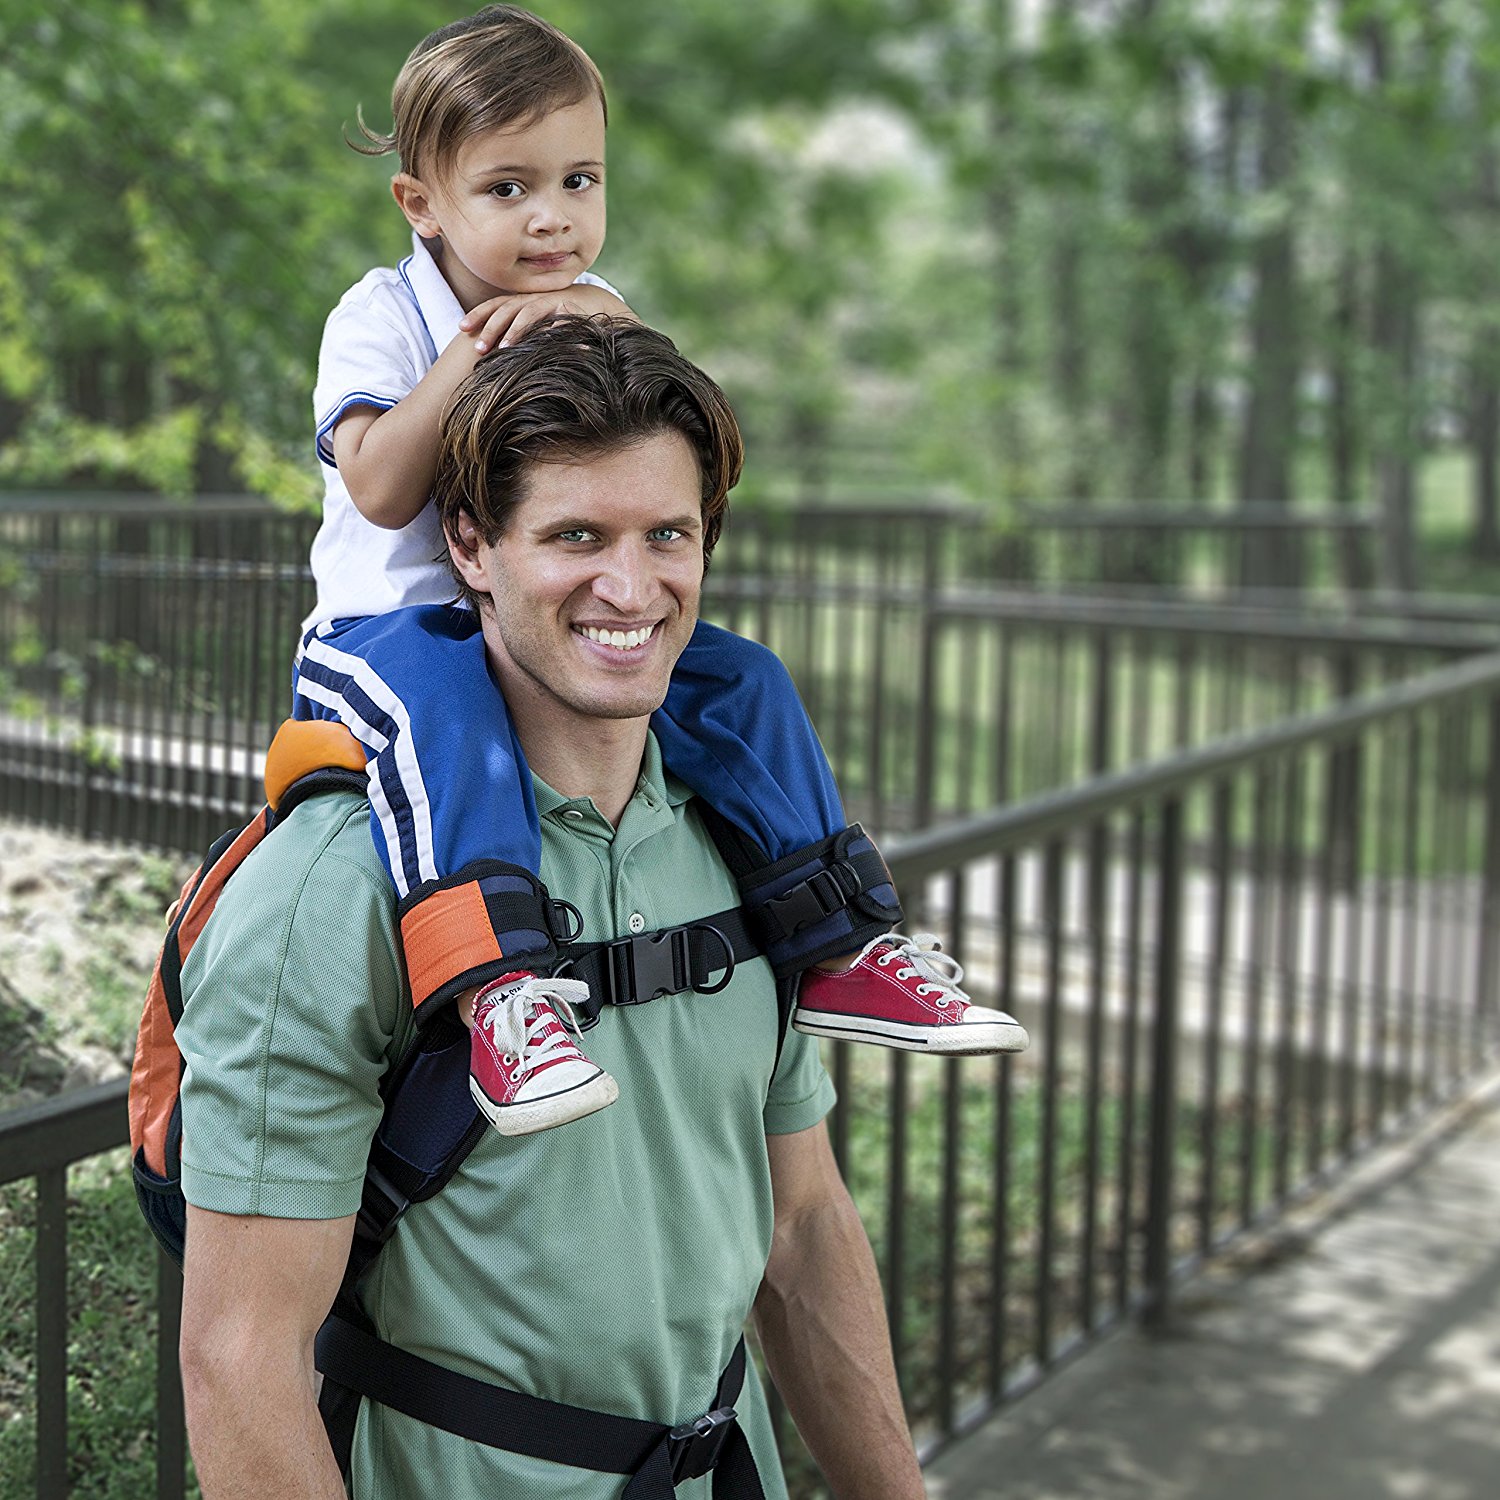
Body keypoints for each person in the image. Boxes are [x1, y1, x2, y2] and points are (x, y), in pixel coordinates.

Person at [176, 316, 929, 1499]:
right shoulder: (335, 887)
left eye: (666, 534)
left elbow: (804, 1228)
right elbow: (238, 1359)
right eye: (575, 535)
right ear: (470, 543)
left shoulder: (746, 843)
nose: (630, 588)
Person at [292, 3, 1027, 1142]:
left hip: (536, 631)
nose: (553, 218)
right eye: (507, 188)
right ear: (420, 202)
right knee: (451, 725)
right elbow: (383, 487)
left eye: (580, 180)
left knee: (740, 679)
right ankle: (500, 994)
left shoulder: (598, 307)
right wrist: (472, 351)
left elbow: (649, 441)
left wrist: (582, 319)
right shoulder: (381, 317)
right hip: (391, 636)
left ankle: (836, 943)